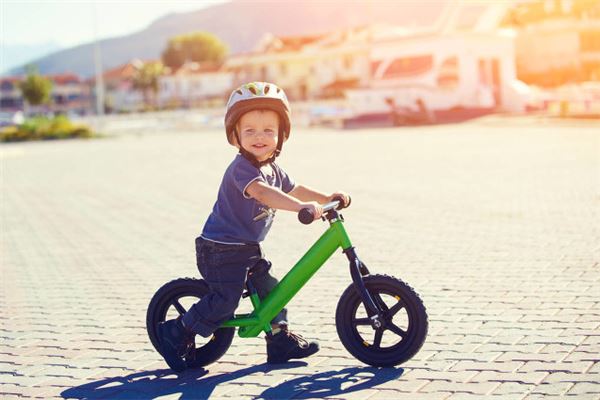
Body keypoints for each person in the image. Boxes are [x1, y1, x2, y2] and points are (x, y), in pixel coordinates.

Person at [157, 82, 350, 372]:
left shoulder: (273, 168)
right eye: (250, 131)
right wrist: (300, 209)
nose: (259, 137)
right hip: (220, 250)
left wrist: (327, 199)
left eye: (268, 131)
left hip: (247, 248)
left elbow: (296, 188)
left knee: (273, 291)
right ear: (235, 136)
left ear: (281, 135)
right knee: (225, 301)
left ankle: (279, 340)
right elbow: (262, 193)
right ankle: (177, 331)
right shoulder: (242, 169)